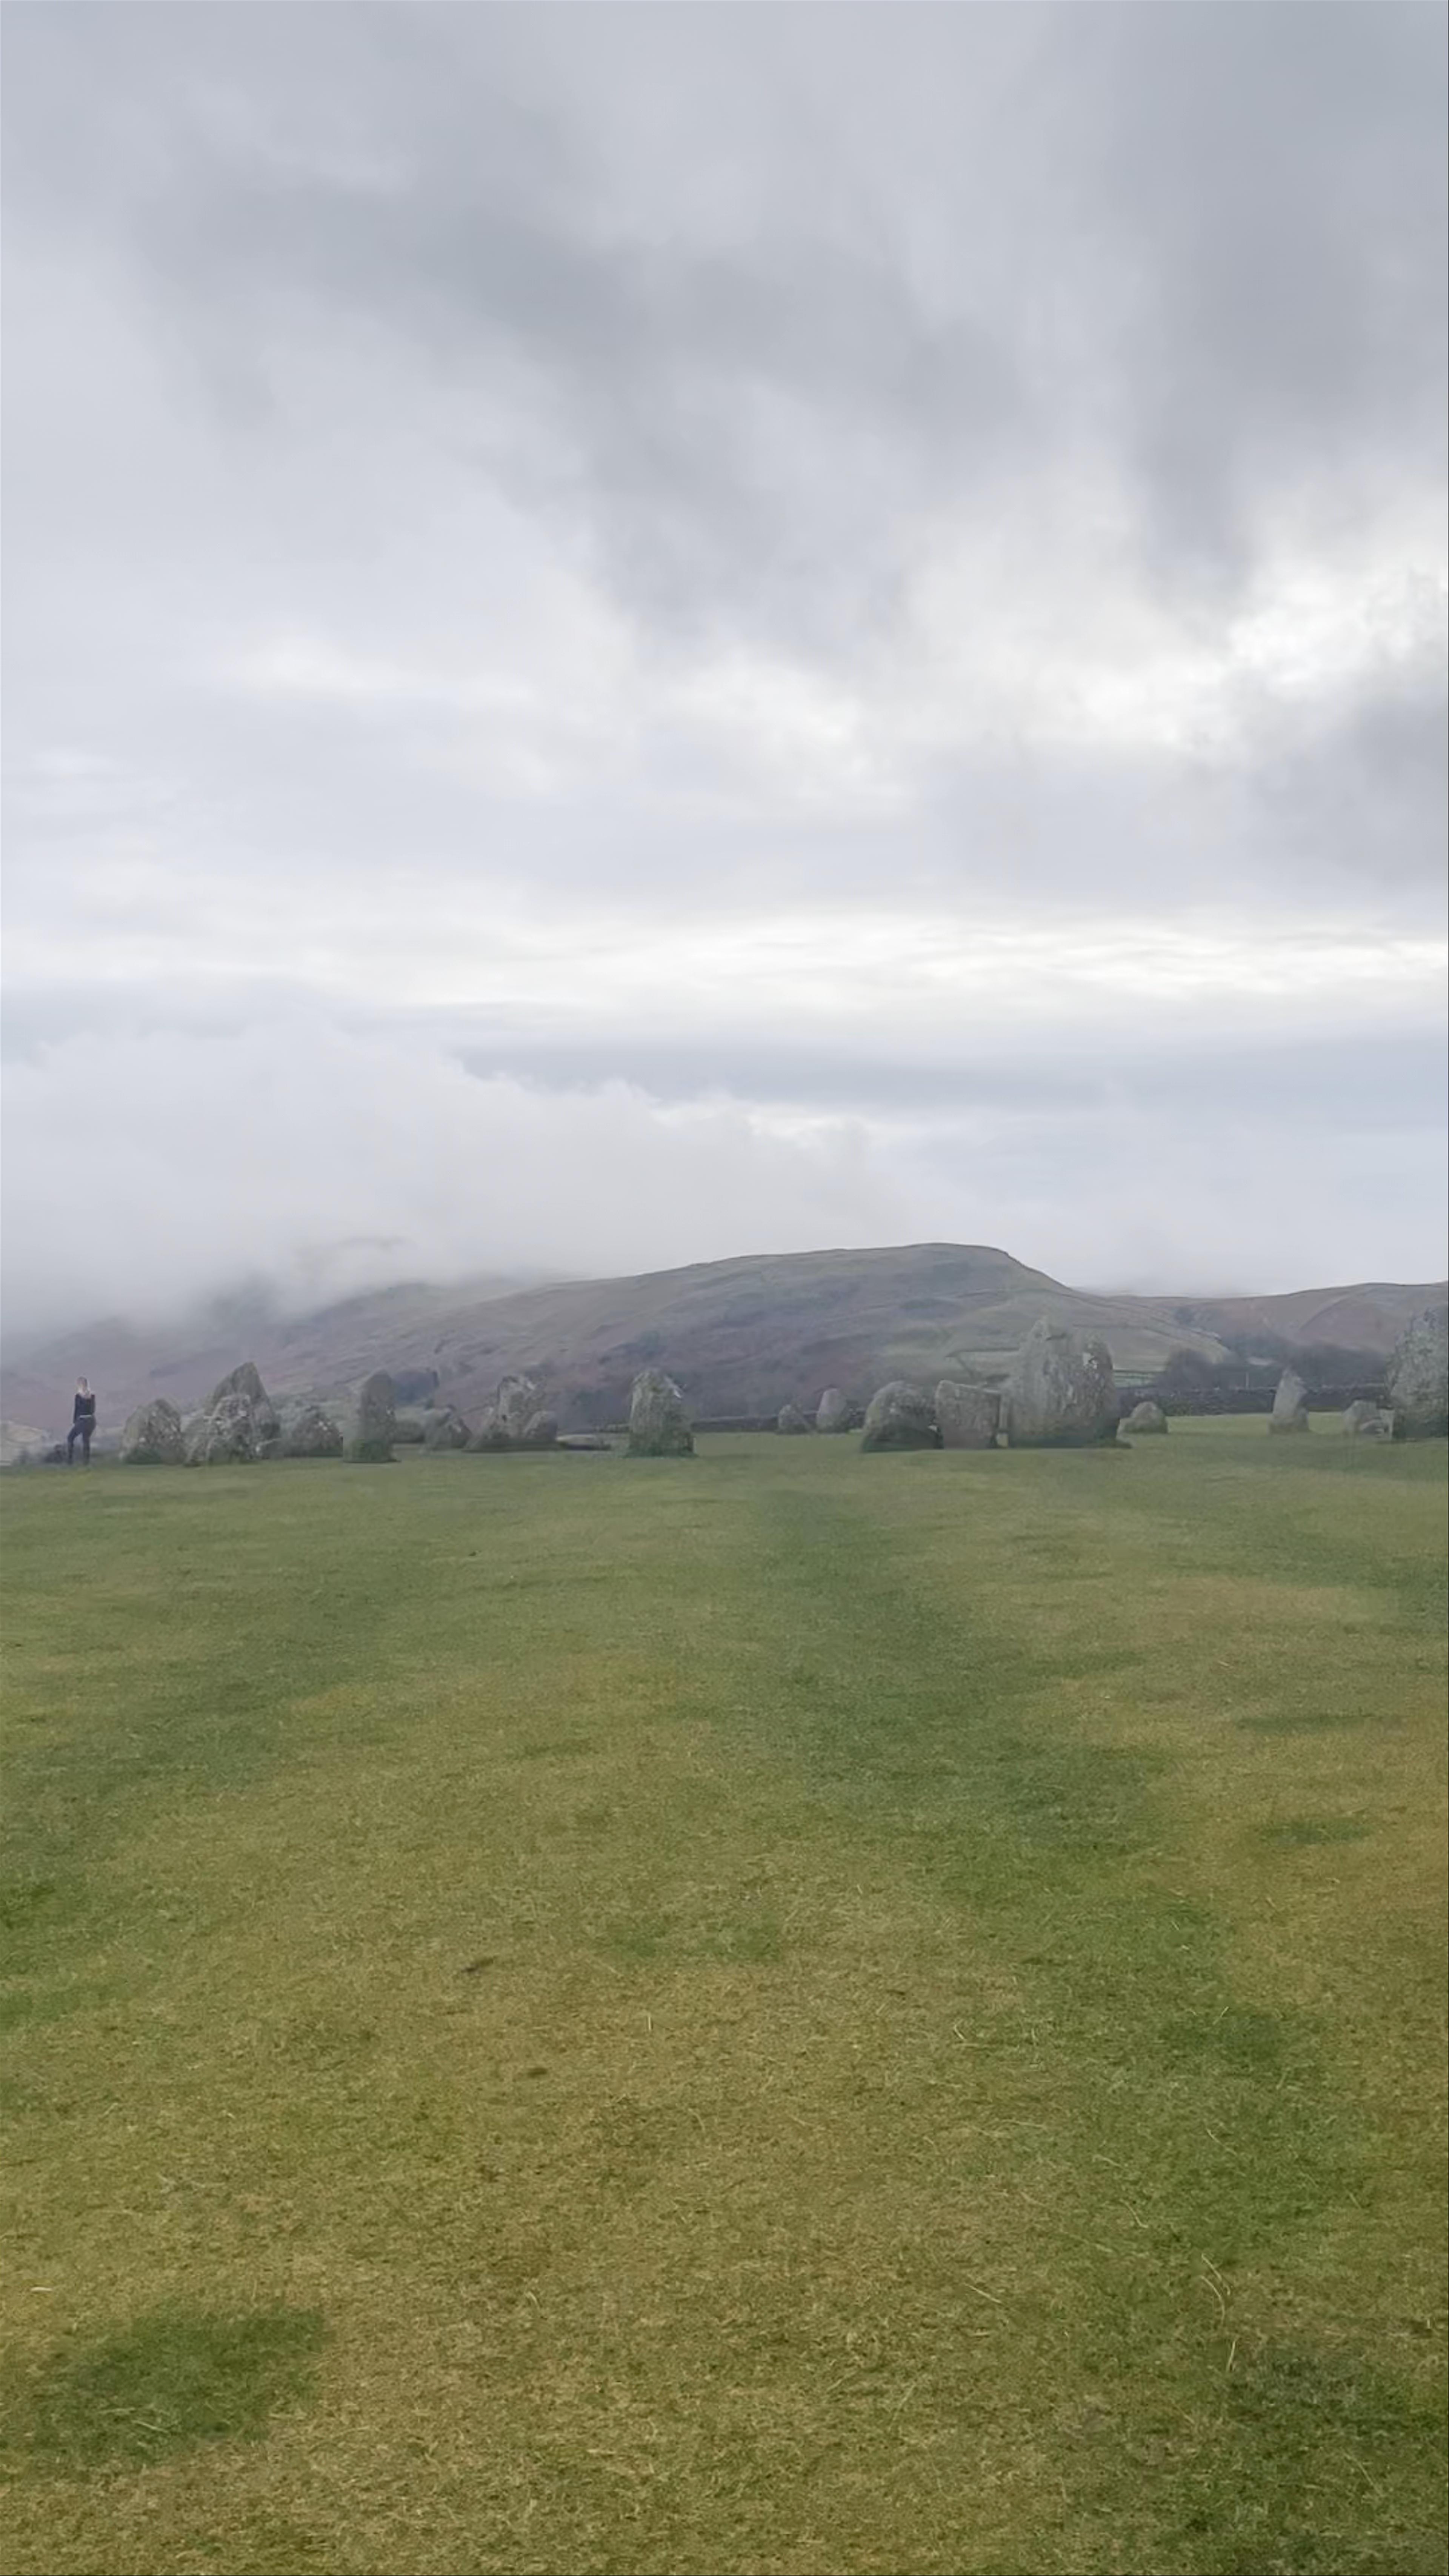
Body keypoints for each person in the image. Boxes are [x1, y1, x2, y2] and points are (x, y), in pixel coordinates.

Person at [67, 1378, 97, 1465]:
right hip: (90, 1420)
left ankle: (70, 1461)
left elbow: (80, 1410)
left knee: (71, 1438)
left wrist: (76, 1421)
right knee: (86, 1440)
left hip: (84, 1420)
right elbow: (92, 1410)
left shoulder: (80, 1396)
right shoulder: (91, 1396)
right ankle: (86, 1461)